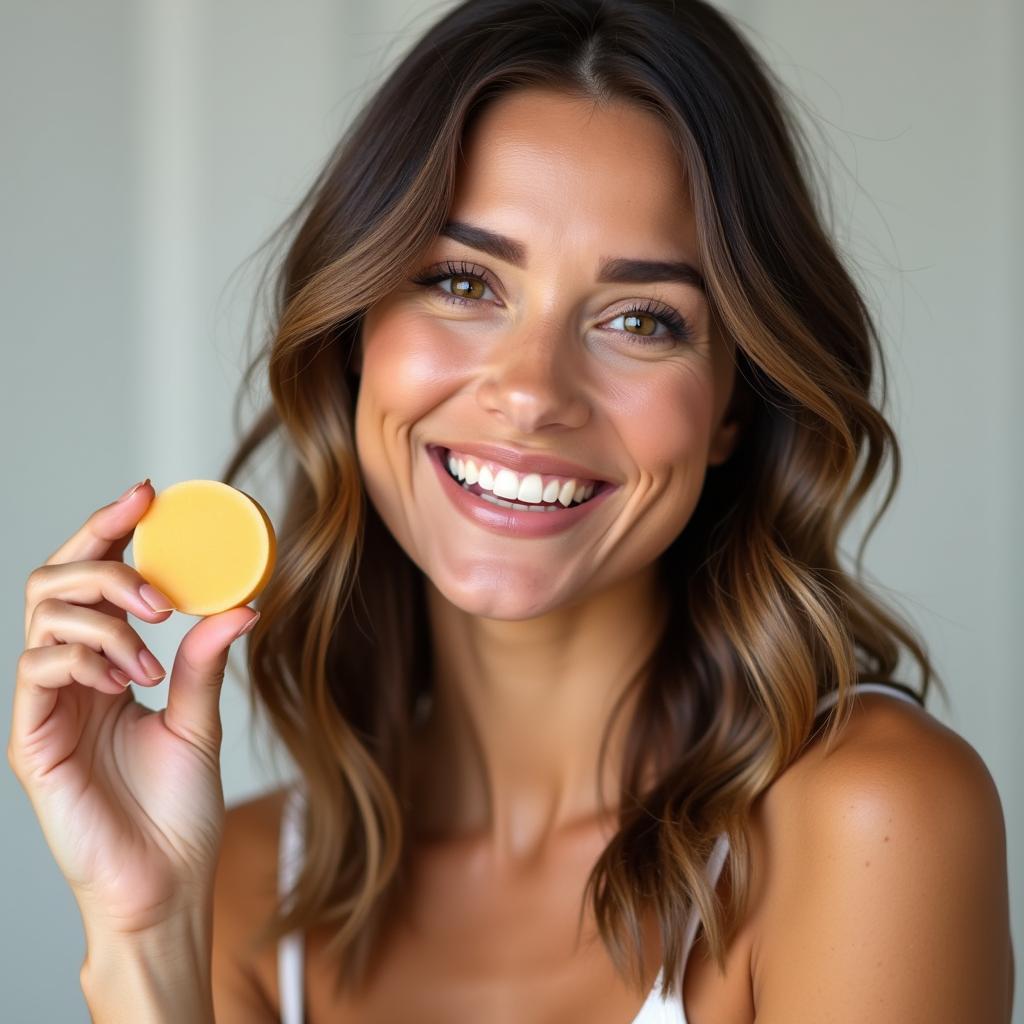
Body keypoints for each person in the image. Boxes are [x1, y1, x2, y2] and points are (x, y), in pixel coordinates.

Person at [9, 0, 1014, 1020]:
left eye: (640, 318)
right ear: (358, 337)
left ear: (731, 406)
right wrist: (141, 940)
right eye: (461, 280)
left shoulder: (868, 820)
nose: (533, 390)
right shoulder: (239, 886)